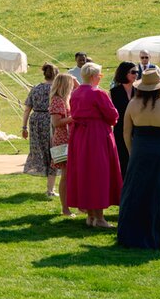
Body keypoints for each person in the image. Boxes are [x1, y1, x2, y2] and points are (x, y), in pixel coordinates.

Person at [117, 69, 160, 251]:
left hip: (139, 150)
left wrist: (133, 151)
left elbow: (126, 132)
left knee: (137, 191)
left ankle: (134, 234)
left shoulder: (133, 104)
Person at [66, 62, 121, 228]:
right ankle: (99, 218)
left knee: (85, 172)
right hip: (97, 134)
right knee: (99, 173)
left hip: (80, 135)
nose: (100, 78)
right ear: (93, 76)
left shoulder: (75, 93)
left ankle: (90, 216)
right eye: (99, 75)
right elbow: (112, 114)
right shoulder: (98, 93)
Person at [22, 64, 58, 195]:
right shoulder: (56, 89)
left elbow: (27, 108)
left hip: (36, 120)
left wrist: (24, 126)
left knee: (41, 150)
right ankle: (50, 188)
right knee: (53, 151)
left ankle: (49, 186)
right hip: (51, 120)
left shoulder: (36, 88)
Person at [49, 73, 77, 216]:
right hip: (62, 140)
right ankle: (65, 209)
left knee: (72, 175)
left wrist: (77, 83)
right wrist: (74, 117)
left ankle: (75, 205)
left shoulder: (65, 99)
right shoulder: (57, 100)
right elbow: (56, 122)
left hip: (69, 139)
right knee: (65, 175)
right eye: (71, 83)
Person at [110, 62, 138, 178]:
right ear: (124, 73)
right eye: (133, 72)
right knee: (122, 160)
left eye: (137, 72)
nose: (136, 74)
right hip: (120, 129)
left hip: (137, 129)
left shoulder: (139, 91)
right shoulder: (114, 92)